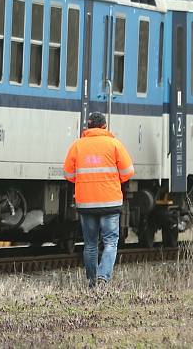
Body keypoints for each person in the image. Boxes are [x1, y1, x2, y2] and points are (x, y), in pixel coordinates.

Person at [63, 111, 134, 288]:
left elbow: (68, 174)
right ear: (104, 126)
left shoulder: (77, 146)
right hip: (110, 202)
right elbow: (127, 172)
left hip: (86, 203)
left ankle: (92, 281)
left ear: (87, 127)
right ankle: (104, 277)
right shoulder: (114, 144)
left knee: (90, 244)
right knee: (110, 242)